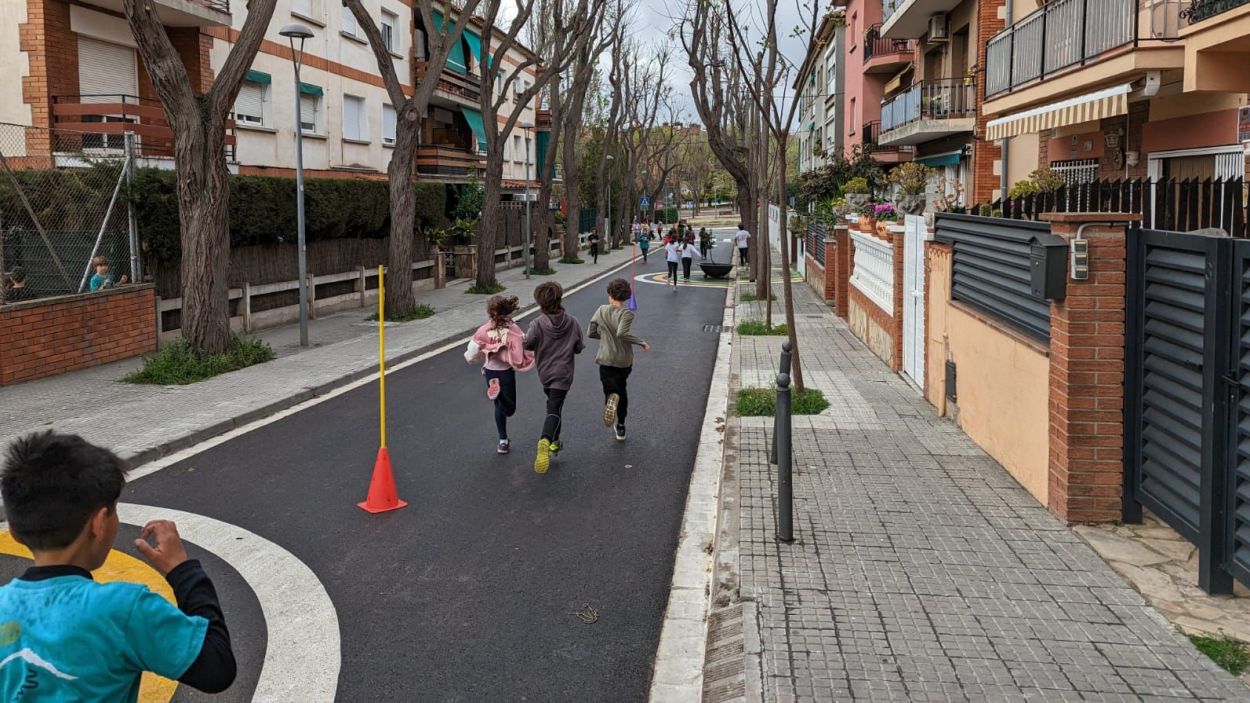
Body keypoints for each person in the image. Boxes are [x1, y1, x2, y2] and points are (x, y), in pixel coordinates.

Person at [0, 431, 236, 700]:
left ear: (15, 533)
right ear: (99, 523)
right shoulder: (123, 610)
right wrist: (184, 571)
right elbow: (217, 668)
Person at [524, 282, 584, 474]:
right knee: (555, 408)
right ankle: (546, 439)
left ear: (540, 303)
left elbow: (528, 344)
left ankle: (554, 443)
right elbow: (578, 347)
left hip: (545, 373)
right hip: (564, 373)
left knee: (553, 406)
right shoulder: (572, 322)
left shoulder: (537, 324)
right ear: (560, 298)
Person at [465, 295, 535, 454]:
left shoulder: (483, 329)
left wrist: (477, 357)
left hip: (490, 371)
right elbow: (525, 343)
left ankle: (502, 441)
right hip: (506, 372)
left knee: (497, 406)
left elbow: (472, 352)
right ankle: (502, 397)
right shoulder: (514, 329)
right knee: (510, 408)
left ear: (490, 312)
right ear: (507, 311)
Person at [588, 278, 650, 441]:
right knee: (622, 388)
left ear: (610, 294)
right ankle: (621, 425)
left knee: (610, 387)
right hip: (623, 359)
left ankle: (611, 398)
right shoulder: (627, 314)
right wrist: (641, 342)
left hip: (606, 357)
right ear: (626, 296)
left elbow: (591, 331)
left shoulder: (601, 310)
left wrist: (603, 337)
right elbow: (622, 334)